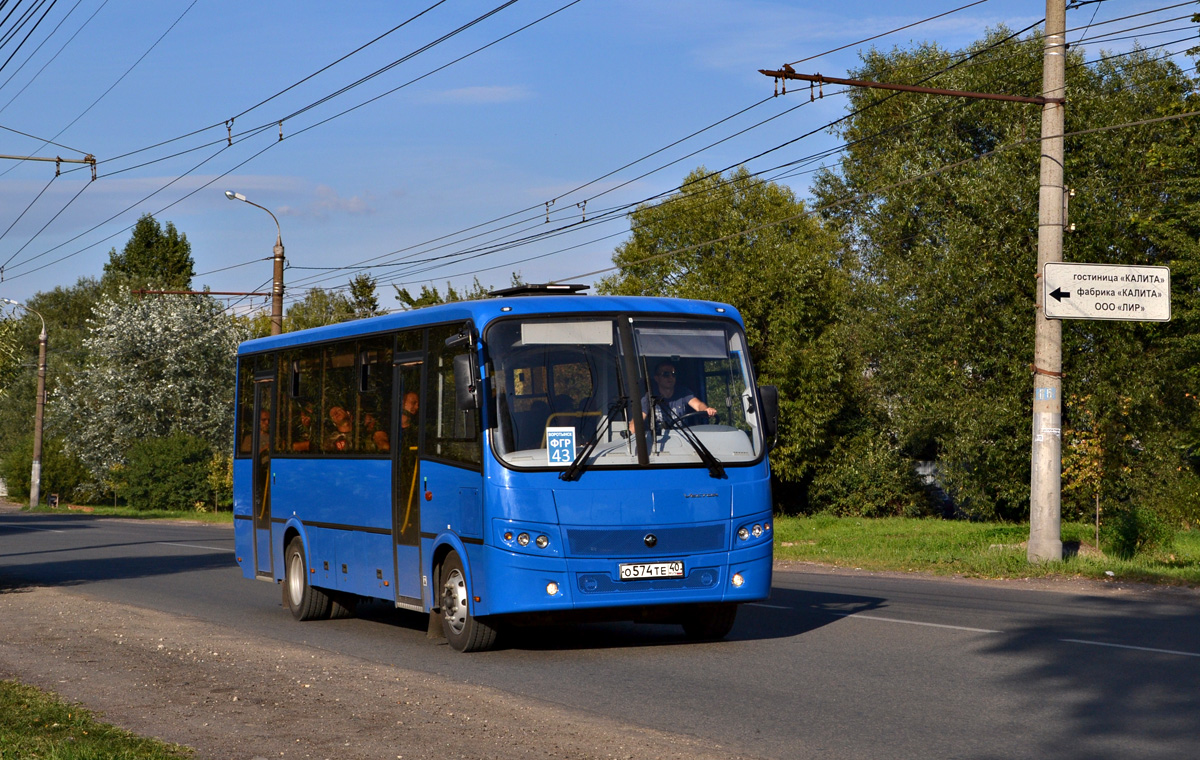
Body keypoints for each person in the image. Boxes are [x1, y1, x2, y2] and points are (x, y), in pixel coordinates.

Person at [641, 361, 716, 427]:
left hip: (682, 438)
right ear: (657, 378)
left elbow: (698, 405)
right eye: (666, 374)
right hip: (660, 440)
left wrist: (706, 410)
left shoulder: (684, 393)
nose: (671, 377)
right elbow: (637, 422)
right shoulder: (650, 397)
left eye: (673, 374)